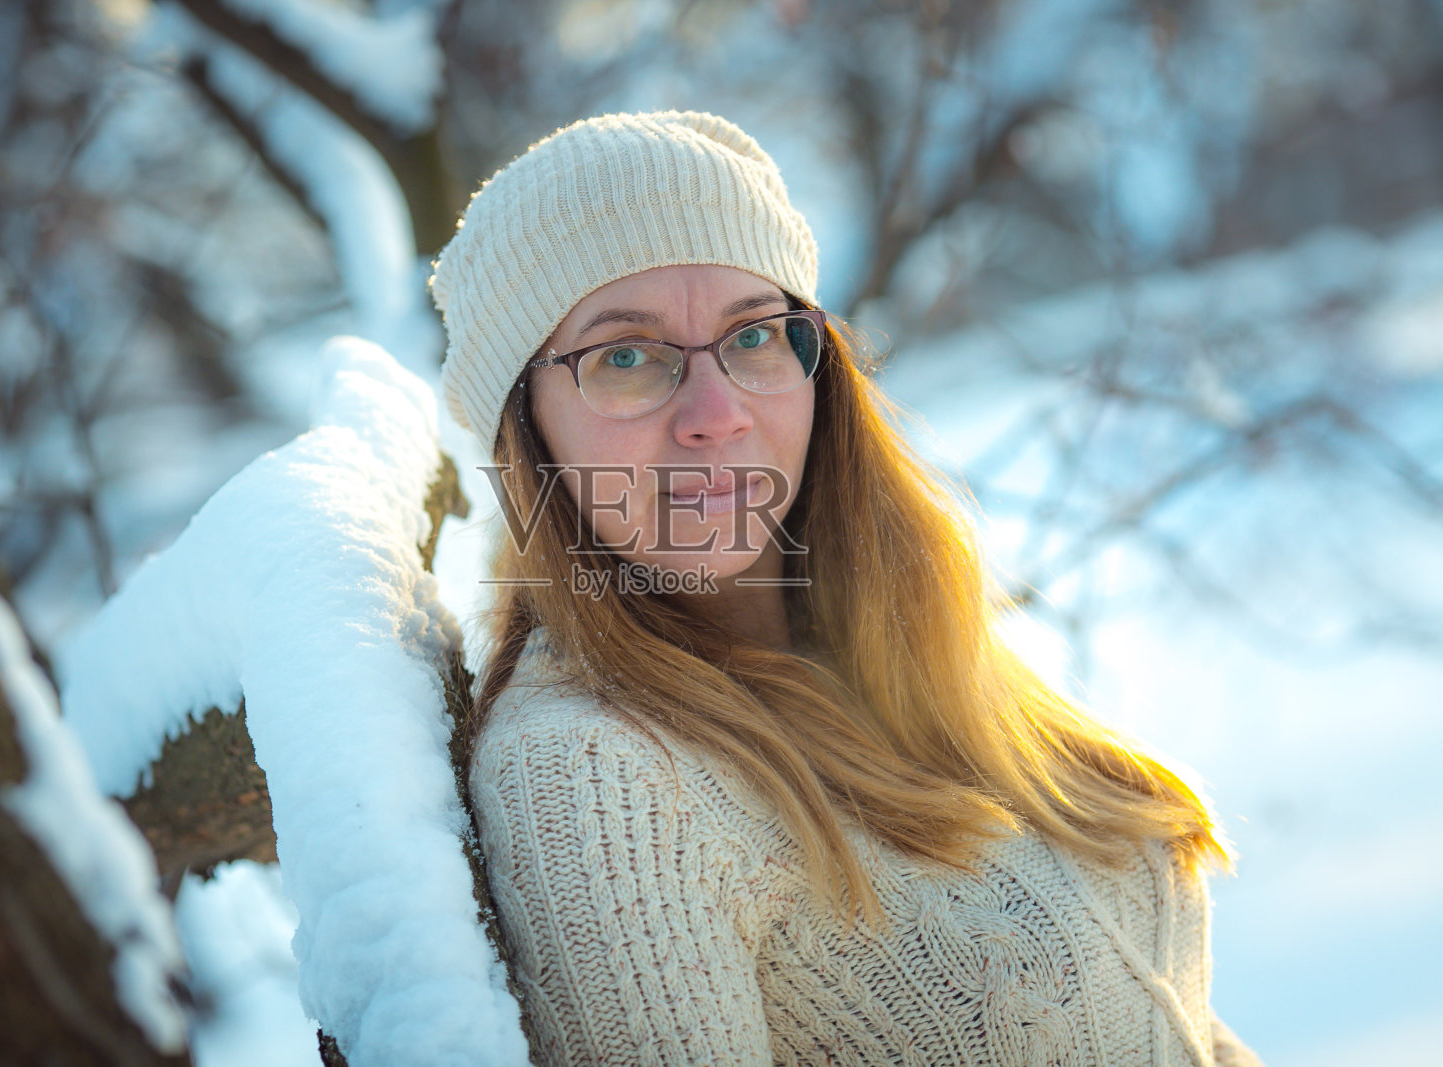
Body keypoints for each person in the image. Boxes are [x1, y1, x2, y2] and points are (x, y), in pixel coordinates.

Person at [428, 111, 1263, 1067]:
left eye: (754, 336)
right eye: (624, 355)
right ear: (527, 433)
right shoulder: (596, 771)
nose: (717, 413)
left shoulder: (893, 645)